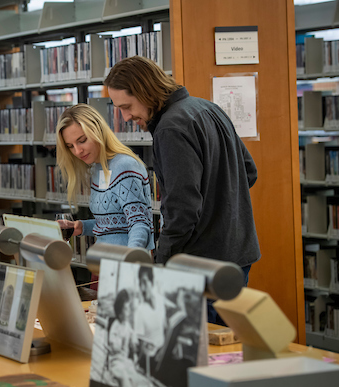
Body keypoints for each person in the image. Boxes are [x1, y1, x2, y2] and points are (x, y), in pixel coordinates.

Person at [104, 56, 260, 325]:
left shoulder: (170, 128)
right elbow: (249, 172)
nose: (126, 117)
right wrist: (221, 207)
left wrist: (162, 263)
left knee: (204, 351)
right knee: (226, 348)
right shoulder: (209, 108)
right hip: (238, 252)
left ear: (146, 91)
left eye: (127, 107)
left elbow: (182, 210)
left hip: (201, 264)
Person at [55, 103, 154, 251]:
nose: (77, 151)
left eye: (82, 140)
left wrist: (129, 259)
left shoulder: (124, 165)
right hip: (101, 259)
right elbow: (114, 226)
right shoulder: (97, 168)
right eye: (70, 146)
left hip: (123, 263)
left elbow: (139, 223)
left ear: (98, 132)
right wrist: (81, 226)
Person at [107, 289, 139, 387]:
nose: (129, 311)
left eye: (129, 308)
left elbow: (132, 336)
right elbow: (112, 343)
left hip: (126, 361)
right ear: (119, 311)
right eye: (126, 309)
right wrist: (117, 343)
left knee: (134, 377)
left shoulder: (127, 325)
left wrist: (134, 342)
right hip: (116, 361)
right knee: (124, 378)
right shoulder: (116, 325)